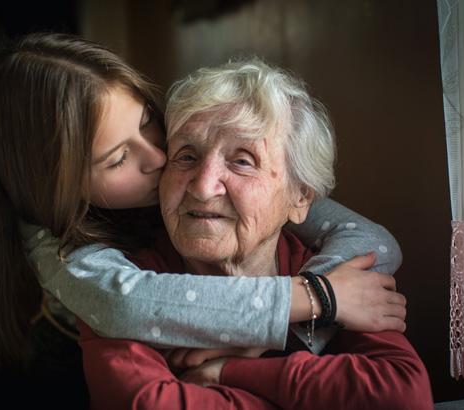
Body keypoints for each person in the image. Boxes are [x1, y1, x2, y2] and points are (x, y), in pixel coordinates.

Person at [0, 32, 406, 399]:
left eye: (146, 123)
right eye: (117, 159)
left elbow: (372, 241)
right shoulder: (71, 256)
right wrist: (315, 300)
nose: (160, 157)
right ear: (55, 189)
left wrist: (306, 318)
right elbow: (126, 305)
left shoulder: (268, 209)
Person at [77, 58, 433, 409]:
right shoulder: (127, 286)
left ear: (300, 197)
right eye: (186, 156)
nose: (202, 187)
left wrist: (231, 371)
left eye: (242, 161)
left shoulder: (332, 273)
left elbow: (402, 395)